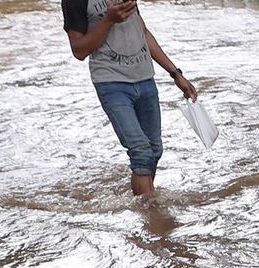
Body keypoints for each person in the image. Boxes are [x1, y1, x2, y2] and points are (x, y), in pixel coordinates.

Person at [61, 0, 198, 197]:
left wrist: (175, 73)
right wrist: (108, 20)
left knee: (154, 150)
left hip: (145, 78)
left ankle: (143, 205)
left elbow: (142, 31)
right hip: (111, 82)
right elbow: (79, 50)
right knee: (141, 152)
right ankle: (151, 210)